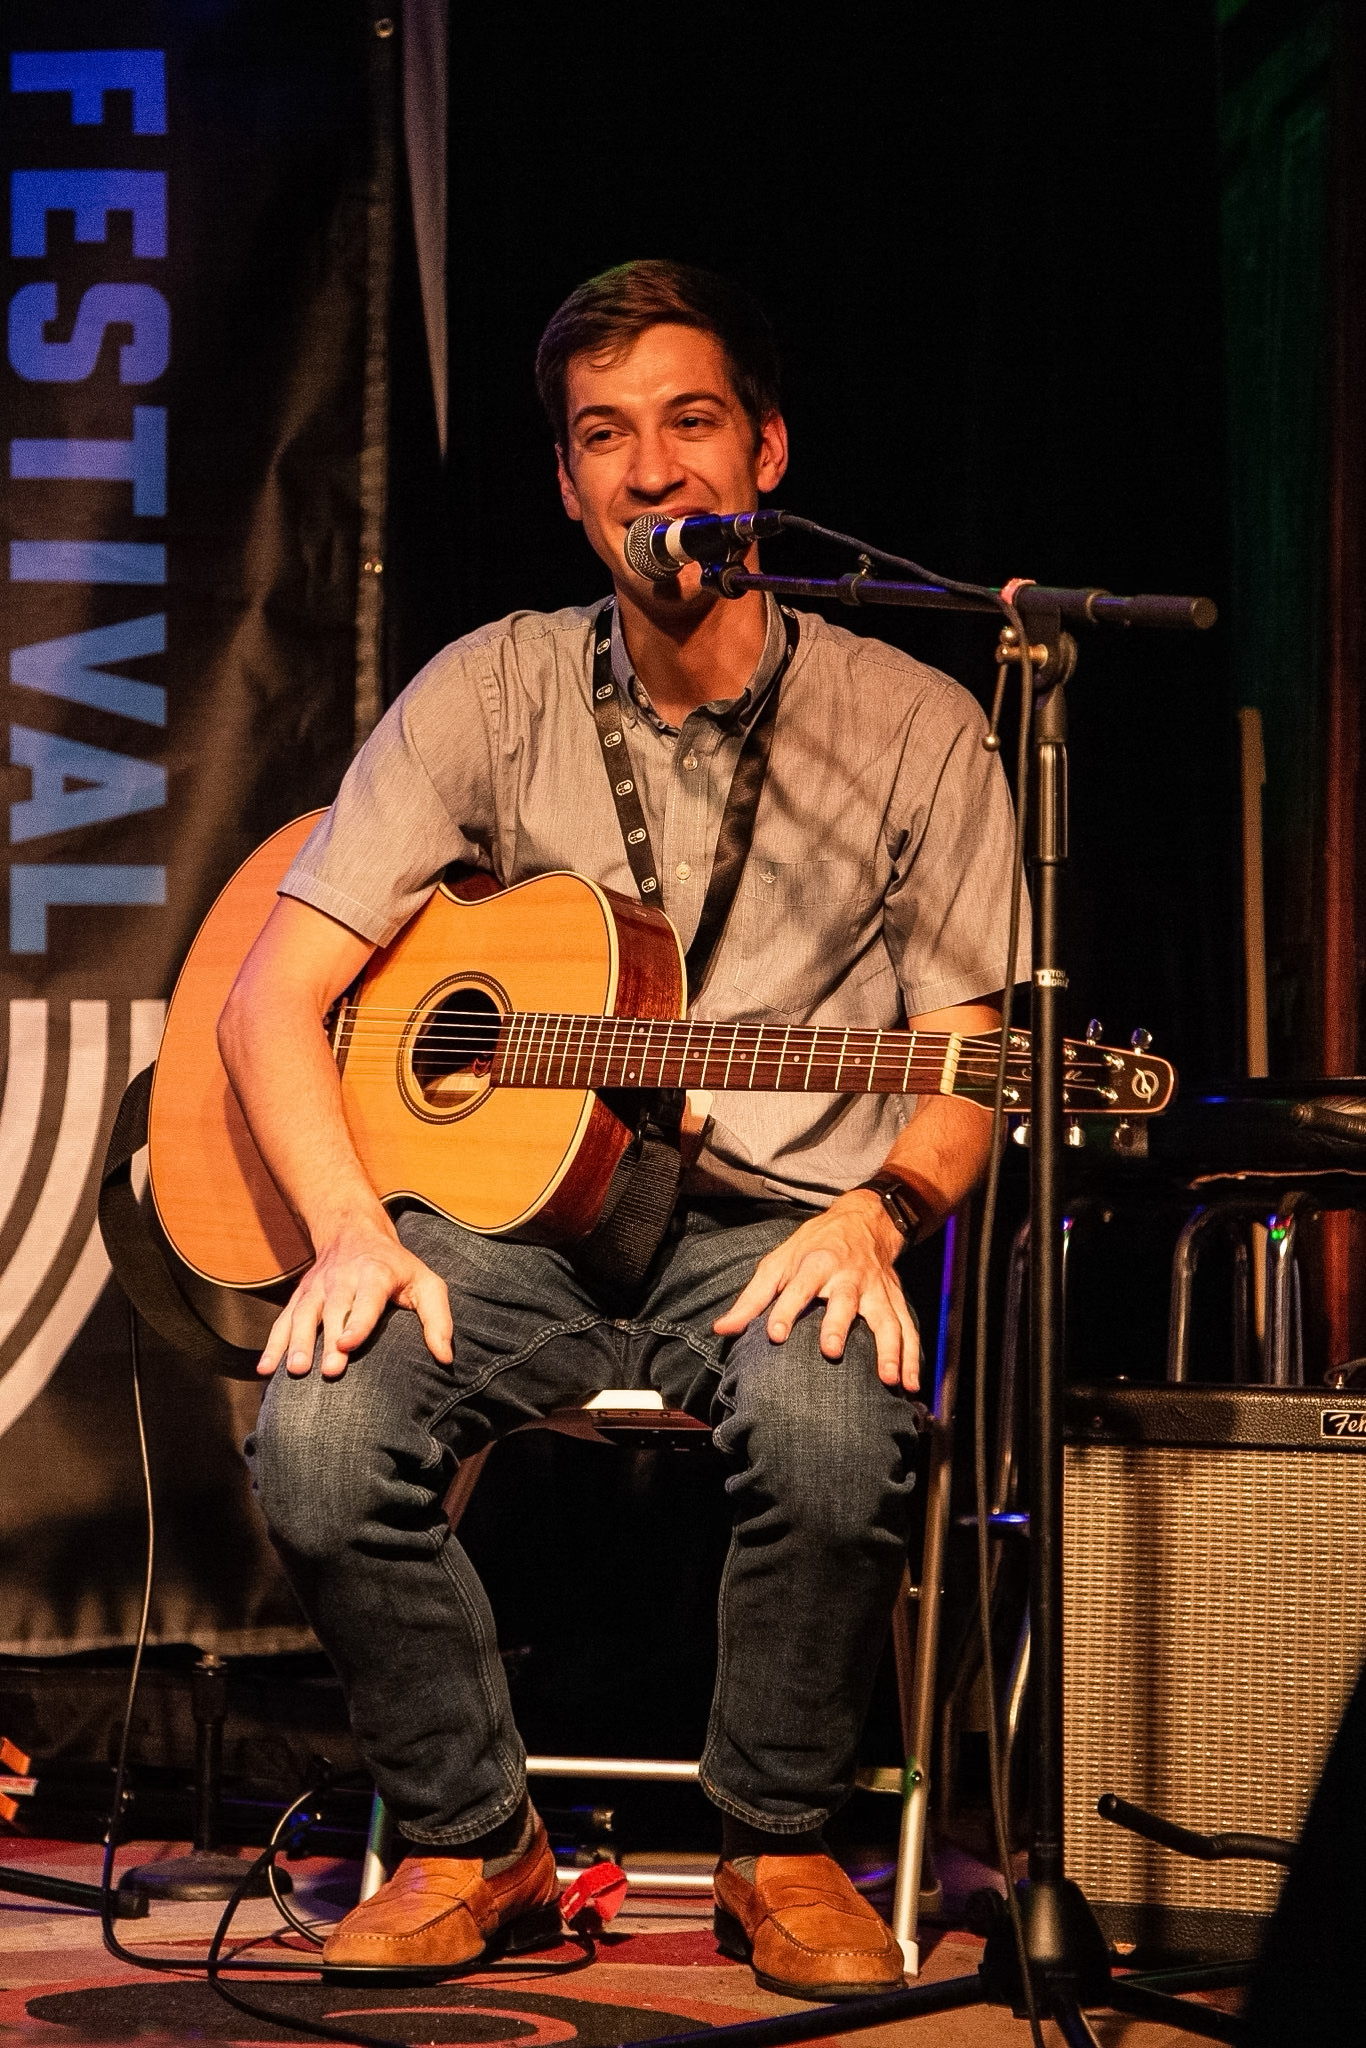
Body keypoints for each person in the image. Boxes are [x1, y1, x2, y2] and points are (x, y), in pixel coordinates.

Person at [220, 259, 1021, 1999]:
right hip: (512, 1230)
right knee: (319, 1442)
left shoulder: (918, 726)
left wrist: (880, 1211)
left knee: (833, 1439)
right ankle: (471, 1842)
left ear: (765, 454)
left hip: (775, 1225)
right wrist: (351, 1228)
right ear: (568, 484)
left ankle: (780, 1847)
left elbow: (970, 1060)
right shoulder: (489, 689)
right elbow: (270, 1000)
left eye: (689, 421)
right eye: (604, 436)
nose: (652, 468)